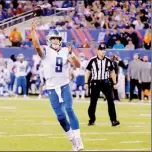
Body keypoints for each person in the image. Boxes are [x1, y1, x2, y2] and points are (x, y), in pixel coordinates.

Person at [31, 20, 84, 151]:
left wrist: (72, 55)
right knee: (60, 116)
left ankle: (78, 138)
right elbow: (36, 46)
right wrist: (33, 31)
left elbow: (78, 65)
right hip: (51, 87)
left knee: (69, 110)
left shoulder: (66, 50)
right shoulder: (45, 51)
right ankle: (72, 138)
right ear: (49, 39)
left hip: (64, 85)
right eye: (53, 38)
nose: (55, 40)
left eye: (57, 38)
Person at [84, 43, 120, 127]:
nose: (103, 51)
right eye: (101, 50)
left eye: (104, 50)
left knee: (111, 101)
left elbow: (112, 72)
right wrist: (86, 82)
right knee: (93, 102)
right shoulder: (92, 60)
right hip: (95, 82)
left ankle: (113, 120)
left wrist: (115, 83)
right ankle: (92, 119)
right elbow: (87, 72)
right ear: (98, 51)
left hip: (105, 82)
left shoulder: (108, 60)